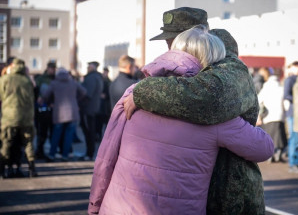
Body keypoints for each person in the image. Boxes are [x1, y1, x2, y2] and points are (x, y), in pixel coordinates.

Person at [88, 25, 274, 214]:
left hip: (118, 208)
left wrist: (95, 205)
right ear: (213, 60)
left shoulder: (134, 92)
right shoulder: (213, 113)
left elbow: (106, 157)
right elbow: (264, 148)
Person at [0, 58, 37, 178]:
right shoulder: (27, 80)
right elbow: (32, 97)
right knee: (28, 143)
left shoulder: (5, 79)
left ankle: (1, 171)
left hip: (9, 117)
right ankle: (32, 169)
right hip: (26, 117)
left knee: (6, 143)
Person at [42, 67, 86, 161]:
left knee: (56, 135)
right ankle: (65, 155)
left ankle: (52, 155)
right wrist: (76, 100)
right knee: (68, 136)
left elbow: (45, 95)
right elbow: (84, 92)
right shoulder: (73, 82)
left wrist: (50, 102)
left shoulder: (54, 83)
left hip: (59, 113)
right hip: (72, 113)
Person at [257, 68, 288, 163]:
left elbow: (258, 100)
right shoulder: (281, 88)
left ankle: (270, 155)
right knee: (279, 138)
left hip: (268, 116)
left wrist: (259, 115)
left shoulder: (265, 87)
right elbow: (285, 103)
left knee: (269, 137)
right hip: (279, 116)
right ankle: (277, 153)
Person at [80, 61, 103, 161]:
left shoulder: (91, 78)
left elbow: (87, 94)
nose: (87, 68)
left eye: (89, 66)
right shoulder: (98, 77)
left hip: (88, 109)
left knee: (89, 132)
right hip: (94, 108)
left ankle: (89, 153)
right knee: (91, 131)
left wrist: (80, 102)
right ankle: (90, 152)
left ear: (92, 67)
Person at [34, 61, 56, 159]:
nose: (52, 70)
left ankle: (51, 152)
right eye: (51, 68)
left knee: (53, 132)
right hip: (42, 109)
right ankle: (40, 151)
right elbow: (37, 92)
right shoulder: (41, 79)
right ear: (47, 68)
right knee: (42, 132)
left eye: (54, 68)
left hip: (53, 109)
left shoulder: (56, 79)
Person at [283, 61, 298, 173]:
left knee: (297, 138)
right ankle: (293, 163)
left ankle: (296, 162)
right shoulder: (290, 80)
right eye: (296, 67)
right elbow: (286, 95)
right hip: (293, 113)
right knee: (294, 138)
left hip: (297, 113)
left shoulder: (296, 79)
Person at [96, 67, 111, 141]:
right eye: (104, 72)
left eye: (106, 72)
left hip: (106, 105)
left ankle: (105, 137)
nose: (104, 73)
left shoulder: (109, 81)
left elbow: (109, 93)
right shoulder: (101, 80)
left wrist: (105, 95)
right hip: (100, 105)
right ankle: (99, 135)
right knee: (99, 122)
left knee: (105, 122)